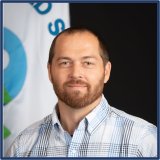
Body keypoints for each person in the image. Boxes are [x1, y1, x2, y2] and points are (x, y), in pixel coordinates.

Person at [6, 27, 157, 157]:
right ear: (50, 72)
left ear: (106, 72)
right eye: (65, 63)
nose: (76, 73)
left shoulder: (144, 141)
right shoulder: (22, 147)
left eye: (88, 63)